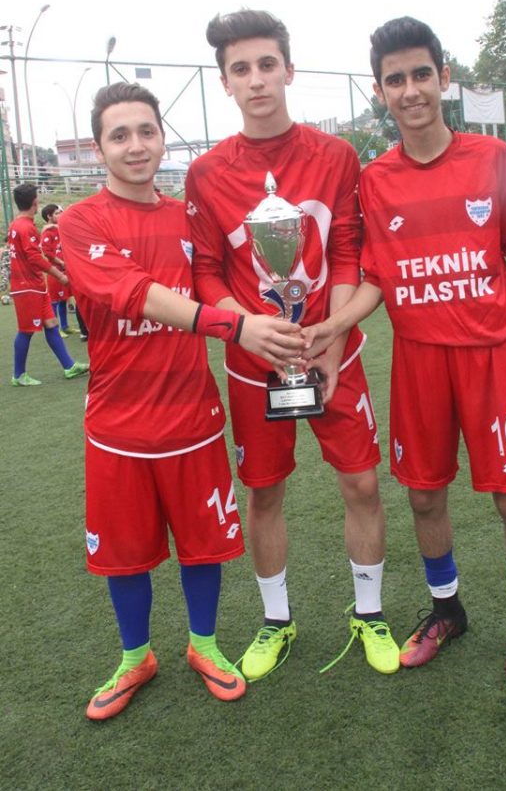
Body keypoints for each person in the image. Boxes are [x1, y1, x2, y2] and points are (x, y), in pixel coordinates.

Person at [302, 16, 506, 687]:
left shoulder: (491, 158)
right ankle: (448, 611)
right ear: (379, 90)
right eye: (396, 80)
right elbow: (377, 277)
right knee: (422, 497)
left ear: (444, 78)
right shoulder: (375, 180)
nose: (410, 90)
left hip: (491, 357)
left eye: (421, 74)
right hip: (418, 362)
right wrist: (333, 324)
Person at [59, 82, 305, 720]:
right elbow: (134, 293)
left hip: (194, 418)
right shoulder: (81, 221)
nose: (135, 146)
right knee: (124, 555)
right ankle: (134, 657)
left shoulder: (186, 217)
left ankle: (205, 646)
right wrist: (236, 327)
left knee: (205, 545)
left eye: (146, 131)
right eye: (119, 135)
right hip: (117, 426)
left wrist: (277, 323)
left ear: (162, 138)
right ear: (99, 148)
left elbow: (219, 278)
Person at [185, 9, 397, 681]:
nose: (256, 80)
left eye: (266, 65)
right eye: (241, 69)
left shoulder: (335, 156)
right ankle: (276, 620)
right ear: (225, 82)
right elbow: (206, 271)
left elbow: (347, 249)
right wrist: (246, 326)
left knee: (362, 482)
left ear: (289, 70)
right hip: (257, 363)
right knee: (264, 490)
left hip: (335, 353)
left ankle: (369, 613)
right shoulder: (207, 172)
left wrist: (334, 335)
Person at [8, 183, 89, 386]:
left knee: (52, 324)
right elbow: (35, 258)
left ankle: (69, 366)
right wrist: (60, 275)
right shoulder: (26, 227)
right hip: (27, 287)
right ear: (35, 202)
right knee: (26, 330)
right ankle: (18, 375)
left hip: (34, 284)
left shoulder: (17, 224)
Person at [40, 204, 75, 336]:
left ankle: (64, 326)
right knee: (54, 301)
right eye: (57, 213)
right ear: (49, 216)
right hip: (55, 271)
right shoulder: (47, 233)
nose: (60, 215)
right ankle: (55, 330)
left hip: (65, 269)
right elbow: (47, 253)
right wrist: (61, 262)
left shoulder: (59, 229)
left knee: (64, 299)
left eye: (60, 212)